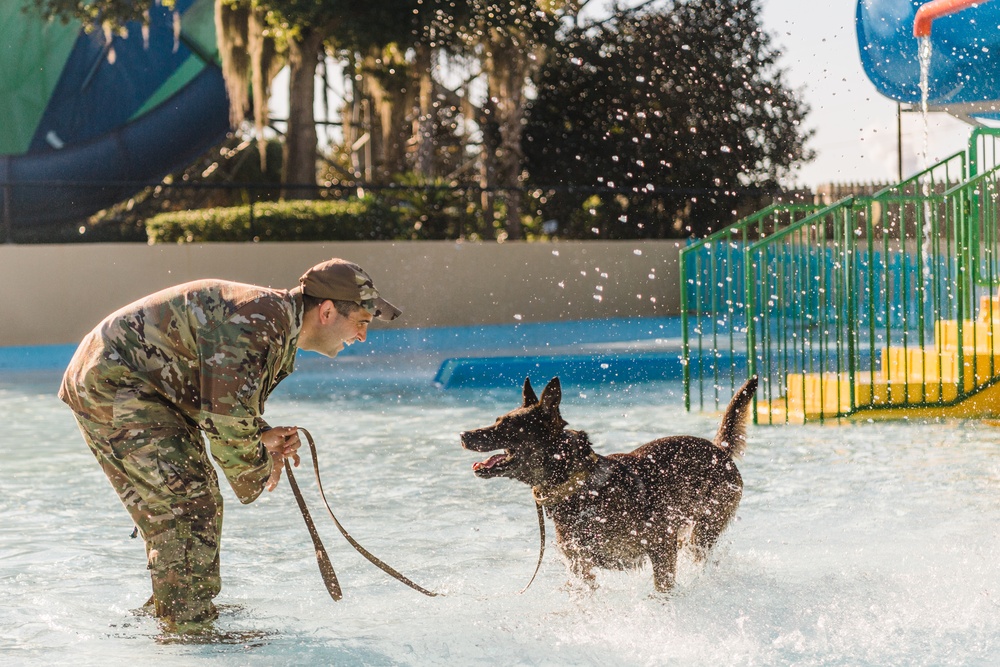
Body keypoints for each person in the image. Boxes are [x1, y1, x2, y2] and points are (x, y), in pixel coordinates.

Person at [59, 258, 400, 628]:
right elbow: (227, 425)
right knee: (188, 499)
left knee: (185, 498)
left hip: (135, 384)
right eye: (362, 323)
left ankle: (174, 610)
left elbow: (225, 403)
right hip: (116, 382)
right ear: (328, 311)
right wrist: (260, 465)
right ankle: (186, 628)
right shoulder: (259, 324)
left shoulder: (274, 321)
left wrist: (260, 435)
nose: (363, 336)